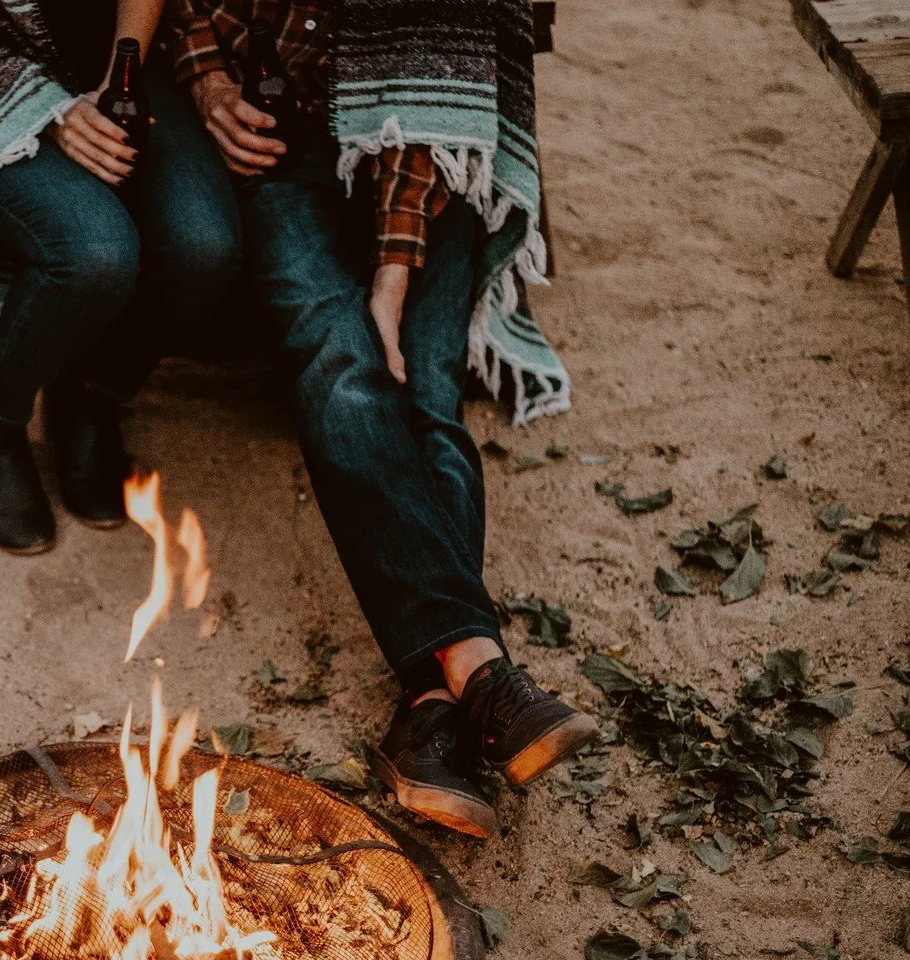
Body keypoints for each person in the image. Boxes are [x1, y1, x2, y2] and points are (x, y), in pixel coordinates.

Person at [171, 0, 594, 837]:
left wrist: (394, 267)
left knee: (426, 387)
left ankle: (436, 705)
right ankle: (479, 670)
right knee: (340, 360)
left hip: (428, 153)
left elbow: (447, 60)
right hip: (280, 137)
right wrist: (208, 78)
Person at [0, 0, 240, 554]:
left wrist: (115, 80)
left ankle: (88, 389)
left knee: (205, 247)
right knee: (94, 252)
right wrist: (44, 112)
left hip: (114, 58)